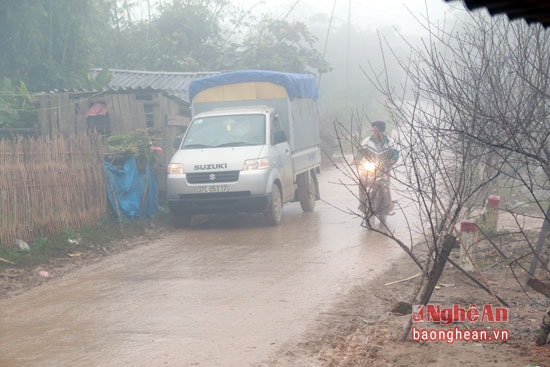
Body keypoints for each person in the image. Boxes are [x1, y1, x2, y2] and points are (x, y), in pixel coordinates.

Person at [354, 120, 399, 215]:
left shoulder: (390, 142)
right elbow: (360, 153)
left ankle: (388, 206)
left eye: (376, 131)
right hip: (368, 170)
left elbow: (395, 154)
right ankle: (362, 205)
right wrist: (356, 160)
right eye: (373, 131)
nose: (374, 133)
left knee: (385, 186)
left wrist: (392, 161)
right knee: (361, 182)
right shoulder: (366, 141)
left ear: (382, 131)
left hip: (383, 169)